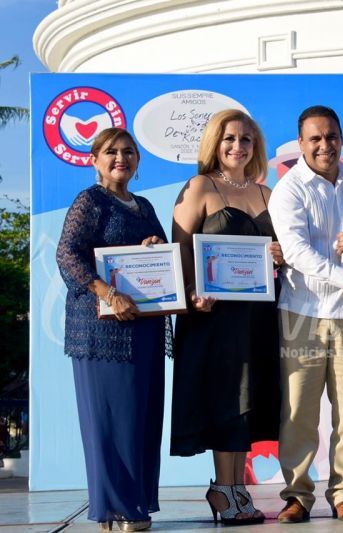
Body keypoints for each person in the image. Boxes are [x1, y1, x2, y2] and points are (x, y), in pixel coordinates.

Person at [170, 109, 284, 525]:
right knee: (224, 399)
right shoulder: (200, 186)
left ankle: (235, 488)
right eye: (229, 138)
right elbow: (181, 248)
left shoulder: (267, 193)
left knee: (247, 400)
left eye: (246, 139)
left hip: (258, 317)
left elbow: (281, 252)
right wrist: (190, 293)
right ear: (214, 144)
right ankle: (224, 487)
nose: (238, 146)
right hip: (213, 316)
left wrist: (280, 254)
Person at [56, 127, 169, 532]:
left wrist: (152, 248)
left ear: (138, 160)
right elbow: (67, 254)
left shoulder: (144, 206)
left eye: (128, 151)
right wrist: (107, 292)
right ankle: (116, 509)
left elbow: (160, 260)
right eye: (111, 151)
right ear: (95, 159)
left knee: (141, 419)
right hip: (100, 331)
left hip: (144, 329)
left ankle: (136, 501)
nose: (121, 158)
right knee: (111, 421)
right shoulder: (90, 201)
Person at [269, 105, 343, 523]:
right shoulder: (289, 189)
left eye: (331, 136)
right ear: (301, 143)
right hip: (303, 309)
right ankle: (298, 494)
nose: (324, 145)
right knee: (299, 409)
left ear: (341, 137)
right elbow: (295, 251)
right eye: (315, 138)